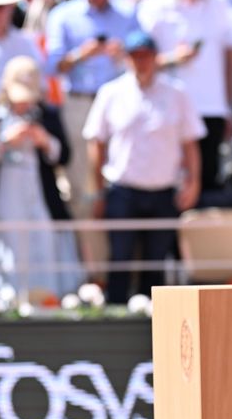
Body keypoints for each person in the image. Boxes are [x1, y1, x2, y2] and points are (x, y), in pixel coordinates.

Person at [83, 30, 202, 304]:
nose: (141, 62)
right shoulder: (111, 92)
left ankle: (156, 326)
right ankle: (114, 319)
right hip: (123, 190)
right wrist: (97, 191)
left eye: (146, 56)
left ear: (156, 58)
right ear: (126, 59)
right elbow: (96, 143)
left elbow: (190, 142)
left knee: (156, 262)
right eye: (135, 56)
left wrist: (192, 181)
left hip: (163, 190)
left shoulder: (176, 93)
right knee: (120, 260)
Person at [136, 0, 232, 195]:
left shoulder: (218, 6)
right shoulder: (153, 7)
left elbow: (227, 58)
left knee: (204, 185)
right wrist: (172, 59)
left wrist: (227, 105)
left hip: (210, 108)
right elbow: (136, 61)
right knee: (168, 185)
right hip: (167, 107)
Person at [45, 0, 138, 239]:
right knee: (81, 182)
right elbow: (52, 67)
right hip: (79, 103)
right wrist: (82, 54)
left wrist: (122, 54)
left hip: (118, 103)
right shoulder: (62, 15)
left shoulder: (127, 14)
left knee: (122, 178)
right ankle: (87, 265)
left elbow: (143, 55)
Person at [0, 55, 80, 298]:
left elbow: (64, 155)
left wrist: (43, 140)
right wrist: (6, 141)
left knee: (43, 242)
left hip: (39, 193)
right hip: (6, 194)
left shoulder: (48, 115)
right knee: (9, 244)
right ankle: (8, 298)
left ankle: (46, 297)